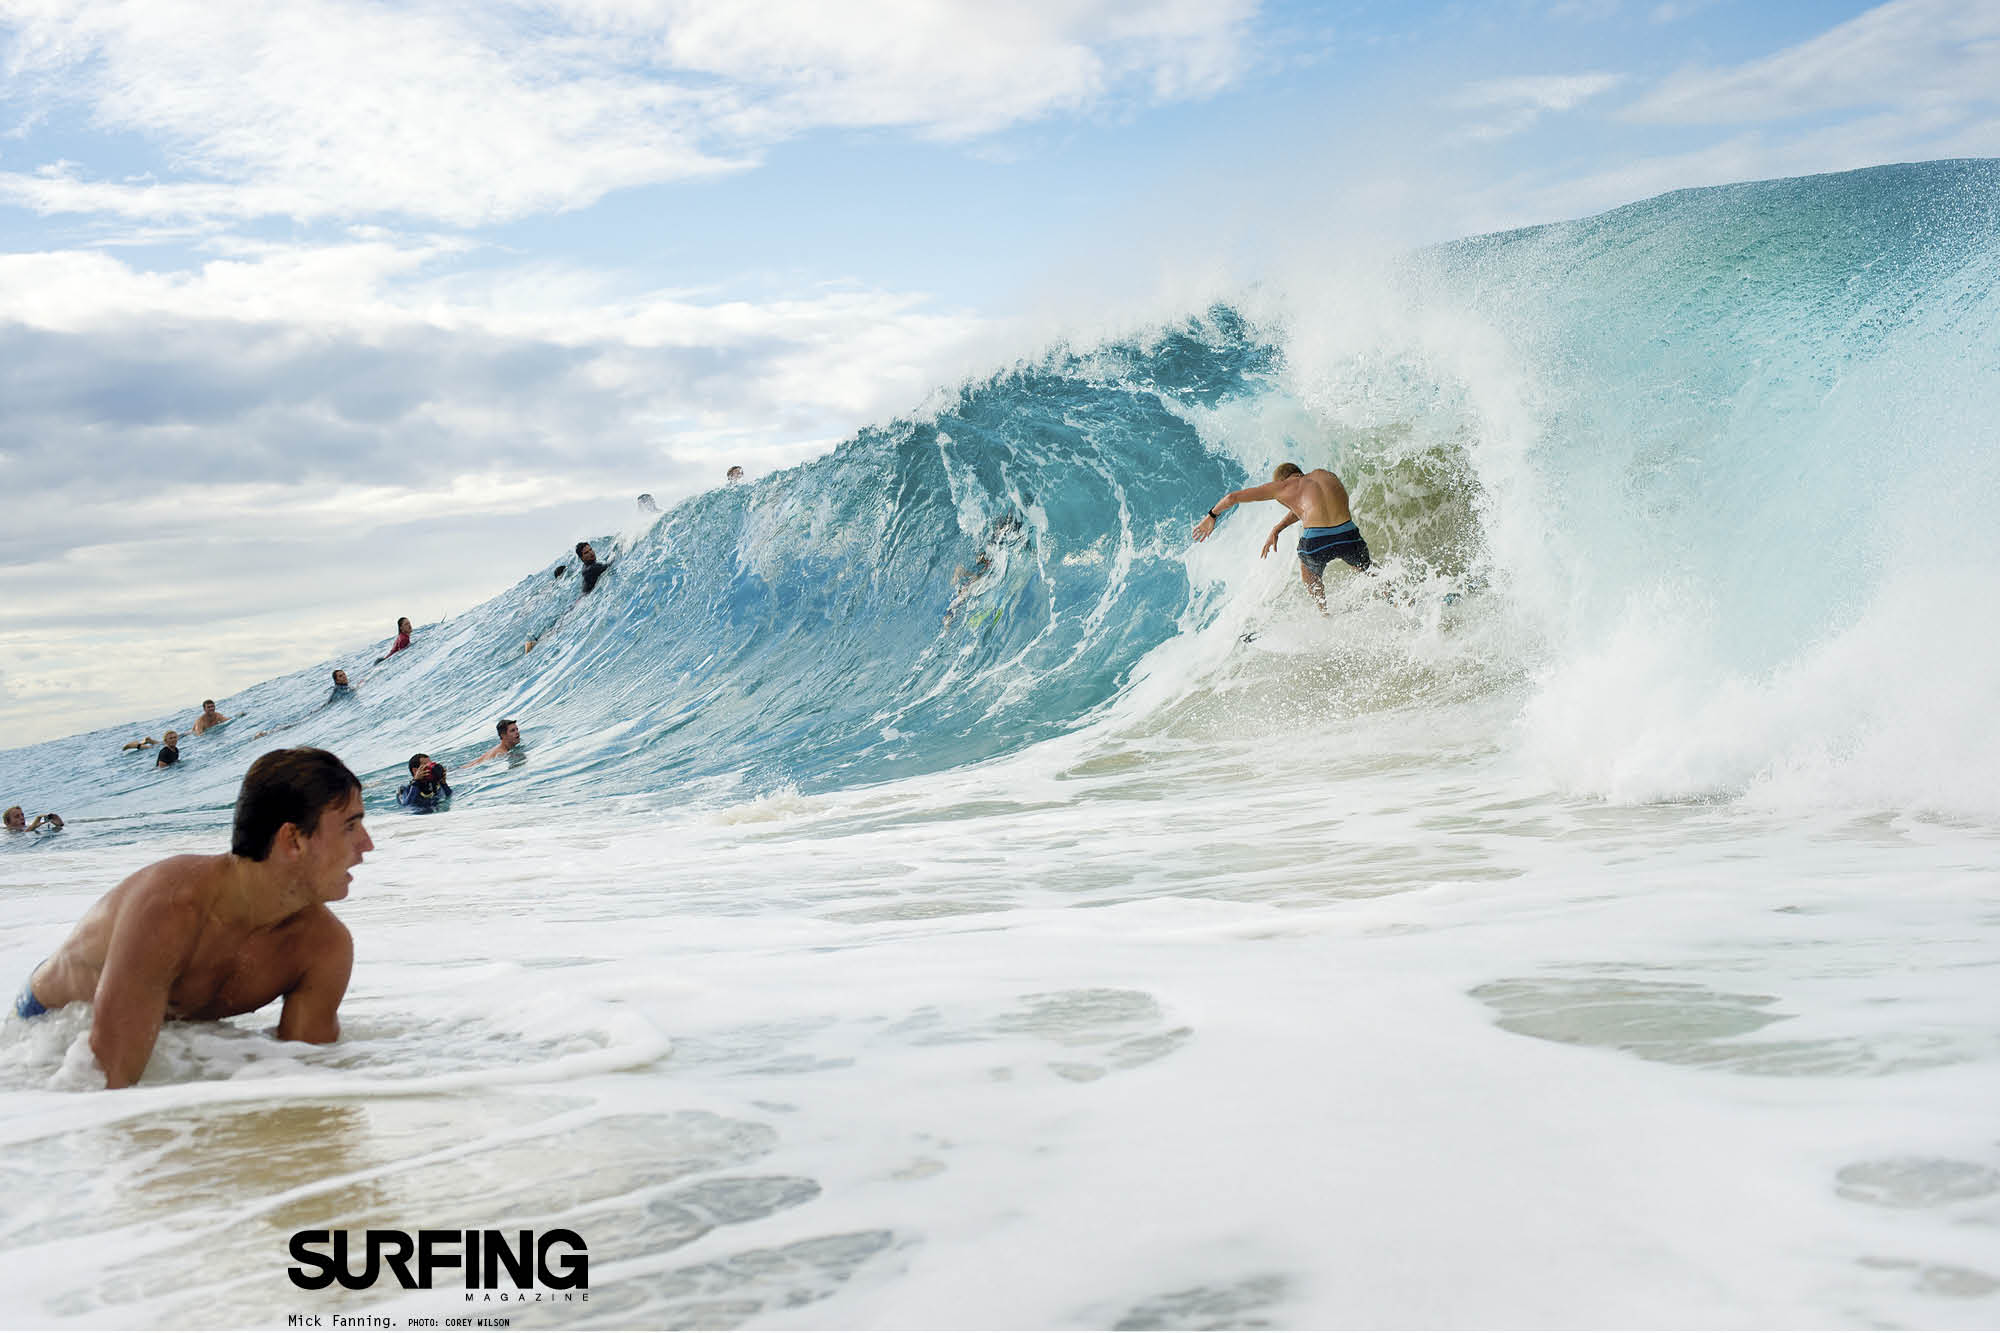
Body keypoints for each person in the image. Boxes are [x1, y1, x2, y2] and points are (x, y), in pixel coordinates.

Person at [13, 748, 368, 1089]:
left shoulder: (324, 948)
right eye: (351, 826)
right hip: (46, 1031)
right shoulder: (171, 907)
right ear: (293, 839)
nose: (366, 843)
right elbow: (103, 1083)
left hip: (161, 1031)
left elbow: (307, 1079)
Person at [1191, 462, 1372, 612]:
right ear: (1299, 472)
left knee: (1309, 575)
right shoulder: (1323, 474)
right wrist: (1278, 528)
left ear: (1282, 479)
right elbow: (1307, 508)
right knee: (1369, 569)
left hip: (1316, 543)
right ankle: (1393, 597)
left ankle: (1324, 614)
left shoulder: (1284, 486)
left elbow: (1232, 497)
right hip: (1348, 536)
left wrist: (1212, 515)